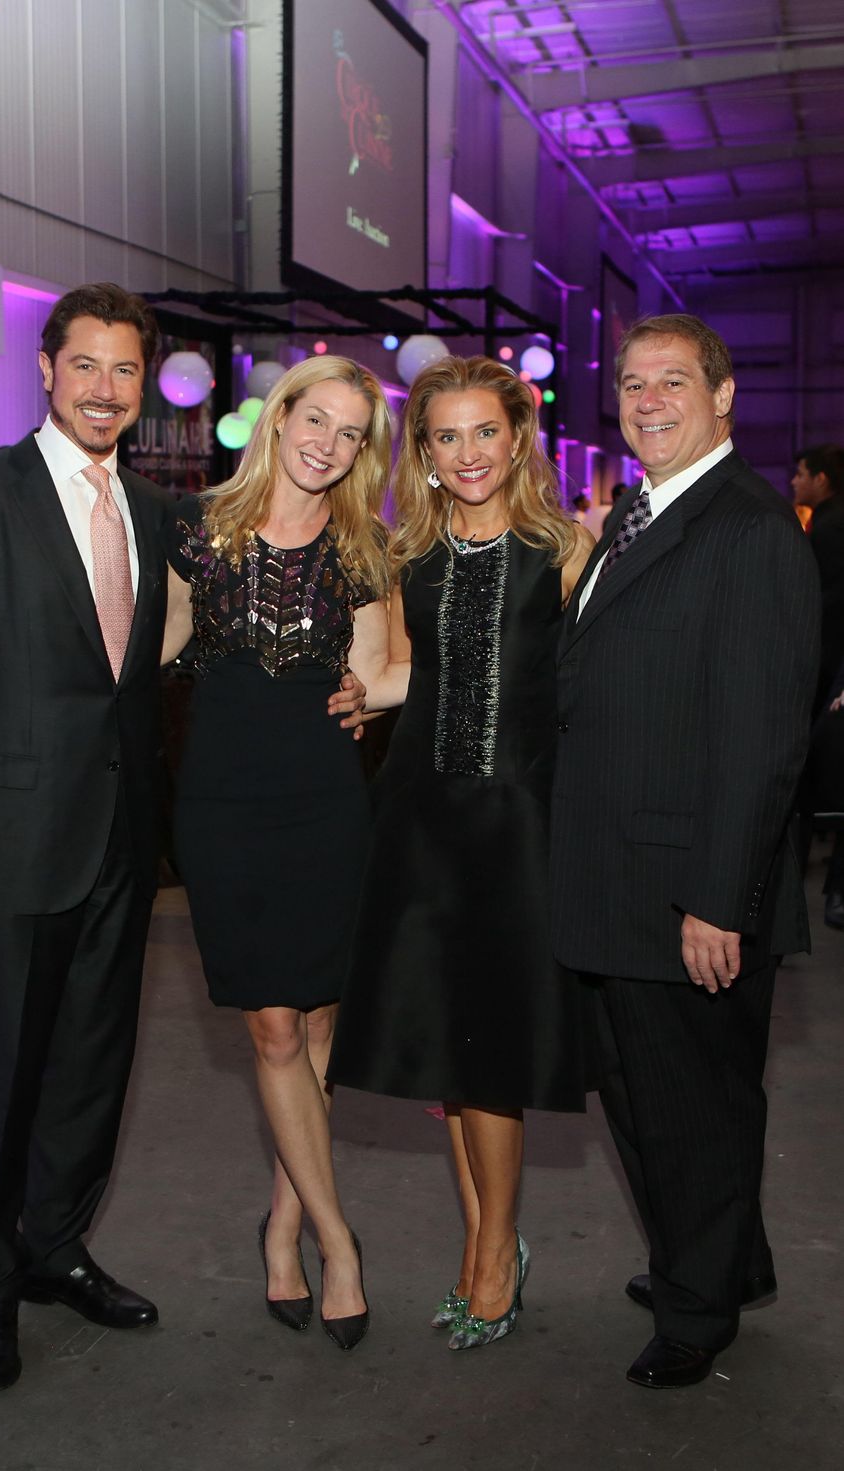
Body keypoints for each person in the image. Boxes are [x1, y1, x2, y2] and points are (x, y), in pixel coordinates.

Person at [0, 283, 171, 1393]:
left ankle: (57, 1247)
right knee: (4, 1077)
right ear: (47, 369)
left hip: (119, 843)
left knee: (95, 1066)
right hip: (3, 845)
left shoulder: (152, 510)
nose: (106, 388)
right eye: (86, 365)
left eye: (125, 370)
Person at [550, 313, 821, 1389]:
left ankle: (695, 1311)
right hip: (621, 877)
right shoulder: (638, 514)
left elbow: (763, 737)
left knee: (690, 1110)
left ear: (722, 398)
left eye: (670, 381)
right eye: (629, 382)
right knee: (645, 1094)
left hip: (684, 890)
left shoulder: (747, 530)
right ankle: (715, 1258)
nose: (645, 399)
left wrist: (719, 898)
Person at [327, 355, 596, 1352]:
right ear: (425, 453)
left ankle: (491, 1249)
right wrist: (364, 694)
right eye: (446, 436)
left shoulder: (565, 552)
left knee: (494, 1051)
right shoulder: (412, 555)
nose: (467, 452)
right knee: (449, 1048)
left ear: (517, 439)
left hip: (516, 829)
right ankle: (490, 1240)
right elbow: (410, 672)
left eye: (484, 431)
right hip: (419, 822)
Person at [160, 355, 391, 1351]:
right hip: (220, 808)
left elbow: (387, 668)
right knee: (272, 1028)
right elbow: (147, 650)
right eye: (317, 420)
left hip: (325, 807)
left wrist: (368, 694)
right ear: (277, 414)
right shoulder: (195, 532)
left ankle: (286, 1220)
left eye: (349, 434)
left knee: (321, 1019)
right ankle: (337, 1239)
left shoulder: (363, 549)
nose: (327, 444)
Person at [791, 443, 844, 708]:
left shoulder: (830, 527)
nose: (793, 482)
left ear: (820, 479)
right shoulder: (830, 519)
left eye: (800, 474)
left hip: (830, 651)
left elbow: (832, 593)